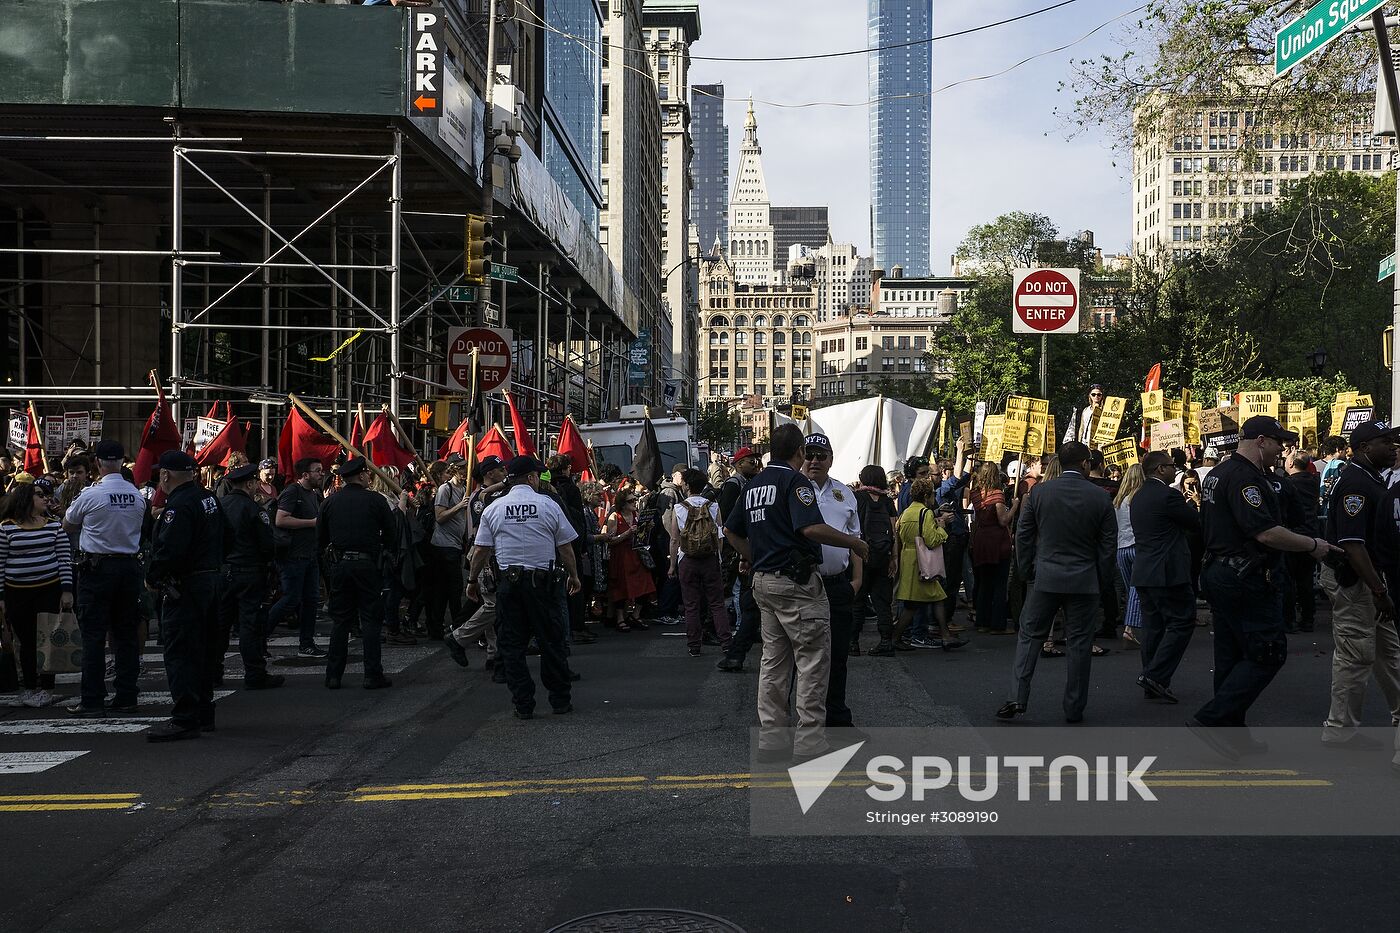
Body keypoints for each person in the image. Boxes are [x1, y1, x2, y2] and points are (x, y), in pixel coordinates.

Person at [1188, 417, 1340, 760]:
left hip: (1222, 572)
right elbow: (1266, 532)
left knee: (1231, 654)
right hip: (1244, 576)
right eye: (1278, 442)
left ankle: (1232, 734)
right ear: (1260, 441)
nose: (1282, 449)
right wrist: (1311, 544)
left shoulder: (1219, 473)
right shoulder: (1245, 479)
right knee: (1268, 652)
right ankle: (1213, 718)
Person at [723, 423, 869, 763]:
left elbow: (730, 530)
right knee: (813, 662)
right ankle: (809, 743)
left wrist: (754, 556)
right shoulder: (794, 482)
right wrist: (854, 543)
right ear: (799, 452)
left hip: (765, 582)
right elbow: (810, 527)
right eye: (808, 452)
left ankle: (773, 740)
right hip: (796, 584)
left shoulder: (753, 485)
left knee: (774, 663)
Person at [997, 441, 1116, 724]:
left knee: (1030, 637)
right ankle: (1074, 707)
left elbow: (1023, 536)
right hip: (1084, 578)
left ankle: (1017, 697)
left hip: (1045, 576)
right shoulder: (1099, 496)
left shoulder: (1040, 493)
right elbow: (1108, 544)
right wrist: (1101, 578)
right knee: (1079, 643)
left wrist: (1027, 570)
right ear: (1086, 464)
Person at [466, 455, 580, 719]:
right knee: (550, 642)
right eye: (537, 476)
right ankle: (560, 700)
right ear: (530, 478)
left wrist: (472, 581)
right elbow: (565, 547)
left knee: (512, 646)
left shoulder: (495, 508)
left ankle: (523, 702)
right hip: (543, 585)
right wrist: (574, 576)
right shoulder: (547, 505)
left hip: (510, 585)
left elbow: (481, 550)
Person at [1318, 420, 1400, 750]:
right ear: (1365, 448)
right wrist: (1379, 591)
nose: (1393, 448)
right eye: (1386, 442)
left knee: (1389, 652)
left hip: (1369, 580)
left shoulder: (1369, 478)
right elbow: (1353, 544)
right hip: (1355, 580)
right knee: (1356, 654)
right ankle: (1340, 730)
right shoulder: (1356, 484)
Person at [59, 441, 147, 715]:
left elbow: (67, 524)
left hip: (96, 569)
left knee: (94, 636)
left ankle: (93, 699)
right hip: (128, 568)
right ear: (122, 462)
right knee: (125, 635)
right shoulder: (137, 495)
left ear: (97, 463)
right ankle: (127, 695)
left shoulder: (91, 495)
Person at [145, 451, 224, 741]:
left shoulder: (177, 506)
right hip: (210, 581)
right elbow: (225, 536)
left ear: (166, 475)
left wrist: (152, 577)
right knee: (203, 651)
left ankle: (185, 717)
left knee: (181, 653)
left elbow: (170, 551)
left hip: (187, 586)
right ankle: (203, 711)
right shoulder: (208, 498)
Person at [1131, 451, 1203, 704]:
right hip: (1168, 571)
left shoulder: (1138, 496)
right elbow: (1196, 522)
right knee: (1182, 621)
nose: (1176, 470)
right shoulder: (1168, 495)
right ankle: (1155, 675)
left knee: (1153, 627)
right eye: (1172, 466)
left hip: (1144, 570)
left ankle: (1152, 680)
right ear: (1161, 469)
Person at [319, 458, 397, 691]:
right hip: (367, 565)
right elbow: (392, 534)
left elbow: (320, 541)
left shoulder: (330, 503)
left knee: (341, 622)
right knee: (371, 621)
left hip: (340, 565)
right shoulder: (375, 500)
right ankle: (372, 674)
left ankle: (333, 675)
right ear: (362, 476)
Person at [801, 433, 863, 727]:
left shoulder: (844, 493)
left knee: (838, 654)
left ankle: (836, 712)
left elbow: (855, 539)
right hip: (804, 584)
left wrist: (857, 581)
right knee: (803, 659)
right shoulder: (795, 489)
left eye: (820, 455)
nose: (814, 460)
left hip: (838, 584)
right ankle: (805, 718)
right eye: (809, 454)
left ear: (831, 460)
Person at [0, 477, 73, 709]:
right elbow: (0, 563)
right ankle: (30, 687)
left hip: (49, 590)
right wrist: (1, 596)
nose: (45, 498)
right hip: (17, 593)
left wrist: (67, 590)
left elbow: (64, 559)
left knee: (48, 640)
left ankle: (47, 688)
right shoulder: (6, 528)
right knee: (27, 641)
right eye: (39, 495)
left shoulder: (54, 525)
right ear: (25, 499)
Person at [216, 462, 283, 691]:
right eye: (255, 482)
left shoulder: (219, 505)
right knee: (249, 625)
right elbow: (267, 544)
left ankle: (214, 671)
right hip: (249, 571)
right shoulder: (254, 510)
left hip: (224, 572)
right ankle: (254, 673)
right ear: (249, 483)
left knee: (220, 624)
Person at [878, 476, 958, 655]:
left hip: (910, 560)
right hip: (922, 562)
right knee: (922, 602)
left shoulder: (906, 512)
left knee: (923, 601)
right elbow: (931, 540)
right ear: (927, 496)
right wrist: (942, 526)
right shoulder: (926, 513)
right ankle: (896, 638)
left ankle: (943, 636)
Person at [445, 456, 508, 673]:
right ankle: (459, 637)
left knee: (490, 603)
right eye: (501, 469)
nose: (504, 472)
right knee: (494, 604)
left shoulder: (485, 493)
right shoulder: (484, 496)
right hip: (486, 555)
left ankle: (493, 653)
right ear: (489, 474)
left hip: (486, 554)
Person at [668, 468, 731, 657]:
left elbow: (674, 539)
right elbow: (720, 534)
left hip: (687, 559)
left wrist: (672, 565)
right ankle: (726, 642)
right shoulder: (713, 506)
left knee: (691, 605)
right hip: (709, 558)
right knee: (717, 603)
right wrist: (718, 556)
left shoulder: (679, 508)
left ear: (686, 485)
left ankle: (694, 645)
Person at [269, 458, 327, 657]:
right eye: (317, 470)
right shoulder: (293, 492)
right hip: (293, 556)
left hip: (310, 555)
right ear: (305, 475)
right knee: (291, 599)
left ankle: (307, 643)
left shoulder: (314, 494)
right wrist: (311, 523)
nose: (321, 473)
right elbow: (281, 519)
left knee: (311, 600)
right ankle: (259, 637)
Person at [716, 446, 764, 673]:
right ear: (737, 464)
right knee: (736, 590)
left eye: (756, 460)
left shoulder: (747, 484)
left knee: (747, 596)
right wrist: (742, 551)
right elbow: (730, 522)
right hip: (738, 547)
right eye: (749, 460)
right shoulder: (734, 485)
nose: (754, 463)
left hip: (747, 549)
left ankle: (740, 642)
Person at [851, 464, 898, 658]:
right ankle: (886, 641)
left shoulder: (857, 498)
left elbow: (852, 527)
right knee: (882, 602)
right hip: (883, 556)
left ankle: (853, 643)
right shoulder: (887, 502)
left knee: (857, 601)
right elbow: (894, 532)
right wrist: (894, 557)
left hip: (862, 555)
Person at [426, 458, 470, 641]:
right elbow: (440, 517)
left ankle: (448, 627)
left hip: (456, 545)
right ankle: (452, 628)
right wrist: (460, 505)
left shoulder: (463, 489)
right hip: (443, 547)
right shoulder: (446, 489)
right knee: (449, 588)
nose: (464, 473)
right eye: (461, 470)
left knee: (450, 589)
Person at [970, 461, 1014, 636]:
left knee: (985, 583)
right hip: (996, 539)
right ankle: (997, 624)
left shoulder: (975, 493)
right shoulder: (997, 494)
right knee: (999, 583)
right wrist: (1016, 507)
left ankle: (982, 621)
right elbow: (1003, 519)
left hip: (982, 537)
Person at [605, 489, 656, 630]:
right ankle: (620, 618)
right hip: (621, 556)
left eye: (634, 499)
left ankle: (635, 615)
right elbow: (610, 540)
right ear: (622, 503)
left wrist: (647, 528)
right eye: (630, 501)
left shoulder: (636, 515)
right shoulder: (615, 517)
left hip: (636, 555)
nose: (634, 502)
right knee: (621, 587)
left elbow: (642, 536)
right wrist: (627, 533)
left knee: (645, 585)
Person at [1282, 450, 1320, 634]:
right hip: (1310, 535)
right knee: (1305, 580)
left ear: (1290, 464)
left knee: (1288, 580)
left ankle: (1288, 620)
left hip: (1291, 535)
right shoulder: (1313, 482)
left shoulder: (1287, 484)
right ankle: (1307, 619)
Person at [1112, 464, 1146, 649]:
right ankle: (1130, 628)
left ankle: (1133, 625)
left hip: (1121, 548)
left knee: (1131, 588)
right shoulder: (1139, 498)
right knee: (1137, 587)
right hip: (1136, 546)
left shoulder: (1118, 500)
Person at [1316, 435, 1348, 523]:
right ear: (1338, 449)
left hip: (1321, 510)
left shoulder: (1314, 465)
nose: (1346, 453)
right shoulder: (1341, 466)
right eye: (1345, 450)